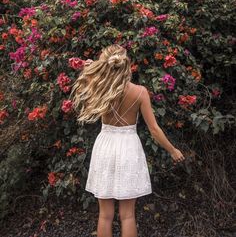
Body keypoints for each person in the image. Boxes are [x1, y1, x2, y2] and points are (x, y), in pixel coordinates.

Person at [70, 44, 185, 237]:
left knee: (105, 215)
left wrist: (90, 68)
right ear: (127, 65)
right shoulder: (140, 92)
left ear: (105, 63)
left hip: (105, 145)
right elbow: (154, 130)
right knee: (128, 215)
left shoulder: (97, 85)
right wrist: (172, 150)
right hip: (129, 147)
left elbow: (91, 75)